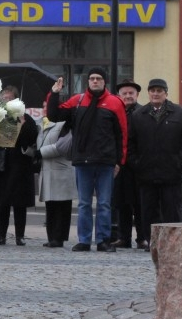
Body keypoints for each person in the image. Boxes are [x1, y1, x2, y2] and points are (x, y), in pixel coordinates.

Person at [46, 67, 127, 253]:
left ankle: (103, 240)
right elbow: (54, 115)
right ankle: (84, 240)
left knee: (104, 204)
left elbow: (122, 134)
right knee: (83, 204)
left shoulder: (115, 103)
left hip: (106, 162)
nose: (95, 81)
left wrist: (119, 162)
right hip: (83, 161)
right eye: (92, 78)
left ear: (104, 81)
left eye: (98, 78)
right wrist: (54, 94)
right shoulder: (78, 100)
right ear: (88, 81)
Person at [128, 78, 182, 250]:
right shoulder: (138, 115)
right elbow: (130, 144)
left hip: (171, 175)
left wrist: (178, 162)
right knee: (148, 212)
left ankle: (173, 245)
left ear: (166, 93)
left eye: (159, 90)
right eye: (152, 90)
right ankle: (153, 244)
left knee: (172, 212)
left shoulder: (180, 114)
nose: (156, 94)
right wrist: (137, 163)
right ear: (148, 93)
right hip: (146, 174)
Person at [0, 86, 38, 246]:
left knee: (19, 203)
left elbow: (31, 139)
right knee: (2, 202)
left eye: (9, 98)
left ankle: (19, 236)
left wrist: (22, 124)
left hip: (19, 165)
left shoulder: (25, 118)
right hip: (1, 163)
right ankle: (1, 235)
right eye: (4, 98)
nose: (6, 101)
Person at [112, 79, 146, 249]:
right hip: (120, 165)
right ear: (119, 95)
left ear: (137, 95)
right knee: (121, 203)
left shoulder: (143, 113)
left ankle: (142, 238)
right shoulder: (114, 112)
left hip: (138, 165)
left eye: (131, 93)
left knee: (140, 204)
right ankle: (123, 237)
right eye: (124, 93)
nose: (128, 96)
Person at [37, 103, 76, 248]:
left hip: (61, 172)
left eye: (49, 106)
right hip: (47, 170)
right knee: (51, 207)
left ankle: (59, 238)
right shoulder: (42, 124)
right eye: (44, 106)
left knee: (62, 207)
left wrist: (40, 153)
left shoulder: (64, 124)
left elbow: (63, 146)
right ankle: (51, 236)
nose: (46, 109)